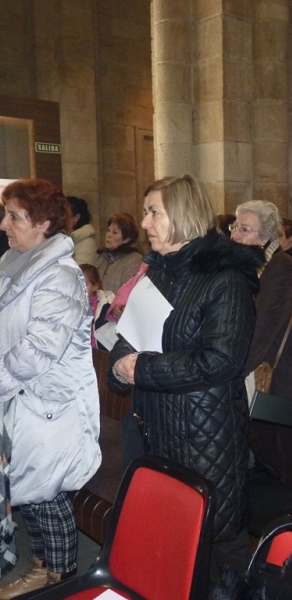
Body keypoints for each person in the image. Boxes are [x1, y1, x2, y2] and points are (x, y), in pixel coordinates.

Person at [108, 174, 262, 585]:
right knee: (168, 535)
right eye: (145, 212)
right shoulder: (157, 271)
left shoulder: (224, 277)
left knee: (215, 544)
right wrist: (121, 364)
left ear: (182, 214)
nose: (145, 223)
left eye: (154, 212)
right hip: (154, 425)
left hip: (204, 433)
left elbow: (223, 360)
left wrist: (142, 369)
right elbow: (128, 336)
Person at [0, 179, 100, 598]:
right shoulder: (18, 264)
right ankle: (41, 567)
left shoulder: (58, 276)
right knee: (30, 493)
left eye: (14, 217)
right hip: (23, 401)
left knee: (47, 496)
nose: (5, 225)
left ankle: (61, 579)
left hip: (50, 406)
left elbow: (38, 349)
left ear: (42, 224)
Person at [231, 201, 292, 491]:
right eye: (235, 227)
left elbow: (265, 326)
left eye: (245, 229)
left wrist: (232, 369)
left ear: (265, 237)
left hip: (287, 370)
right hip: (260, 366)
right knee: (266, 445)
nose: (235, 234)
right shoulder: (245, 265)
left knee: (287, 452)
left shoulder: (280, 266)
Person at [95, 212, 143, 293]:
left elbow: (128, 292)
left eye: (115, 232)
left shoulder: (135, 259)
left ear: (126, 239)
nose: (109, 235)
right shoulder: (102, 256)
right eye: (108, 230)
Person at [80, 263, 115, 351]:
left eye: (84, 284)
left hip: (99, 351)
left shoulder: (107, 302)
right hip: (78, 352)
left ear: (95, 286)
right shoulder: (69, 303)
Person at [67, 196, 97, 265]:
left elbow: (80, 273)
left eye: (64, 215)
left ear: (76, 218)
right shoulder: (64, 237)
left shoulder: (87, 244)